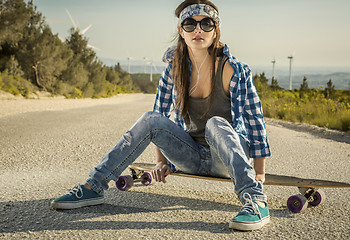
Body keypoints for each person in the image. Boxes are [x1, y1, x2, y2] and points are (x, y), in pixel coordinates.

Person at [51, 0, 271, 231]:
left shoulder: (233, 70)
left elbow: (255, 120)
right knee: (150, 118)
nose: (198, 30)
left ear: (216, 29)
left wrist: (259, 171)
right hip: (191, 157)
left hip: (225, 159)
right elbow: (159, 117)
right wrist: (161, 162)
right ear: (181, 31)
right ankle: (93, 186)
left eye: (206, 24)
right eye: (190, 24)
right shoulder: (173, 69)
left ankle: (256, 201)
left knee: (216, 124)